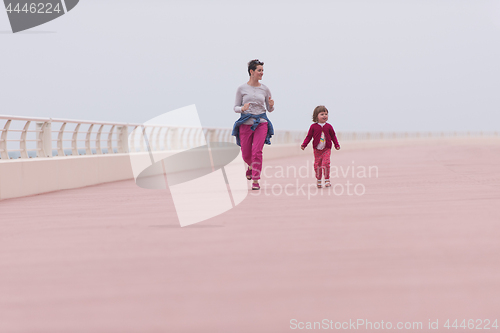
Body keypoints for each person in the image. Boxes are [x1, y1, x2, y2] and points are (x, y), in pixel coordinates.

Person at [232, 59, 275, 190]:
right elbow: (235, 107)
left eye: (262, 70)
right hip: (245, 123)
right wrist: (242, 109)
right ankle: (250, 166)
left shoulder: (265, 89)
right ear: (252, 72)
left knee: (257, 151)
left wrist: (272, 106)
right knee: (245, 153)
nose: (262, 73)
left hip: (261, 123)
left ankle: (255, 180)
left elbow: (269, 108)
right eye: (259, 70)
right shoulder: (241, 88)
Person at [301, 105, 341, 188]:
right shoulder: (313, 127)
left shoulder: (329, 126)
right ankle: (319, 179)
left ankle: (327, 179)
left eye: (326, 114)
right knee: (317, 165)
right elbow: (309, 136)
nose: (324, 116)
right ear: (316, 116)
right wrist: (304, 145)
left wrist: (336, 144)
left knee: (326, 163)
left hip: (326, 149)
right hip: (317, 150)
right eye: (322, 114)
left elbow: (333, 136)